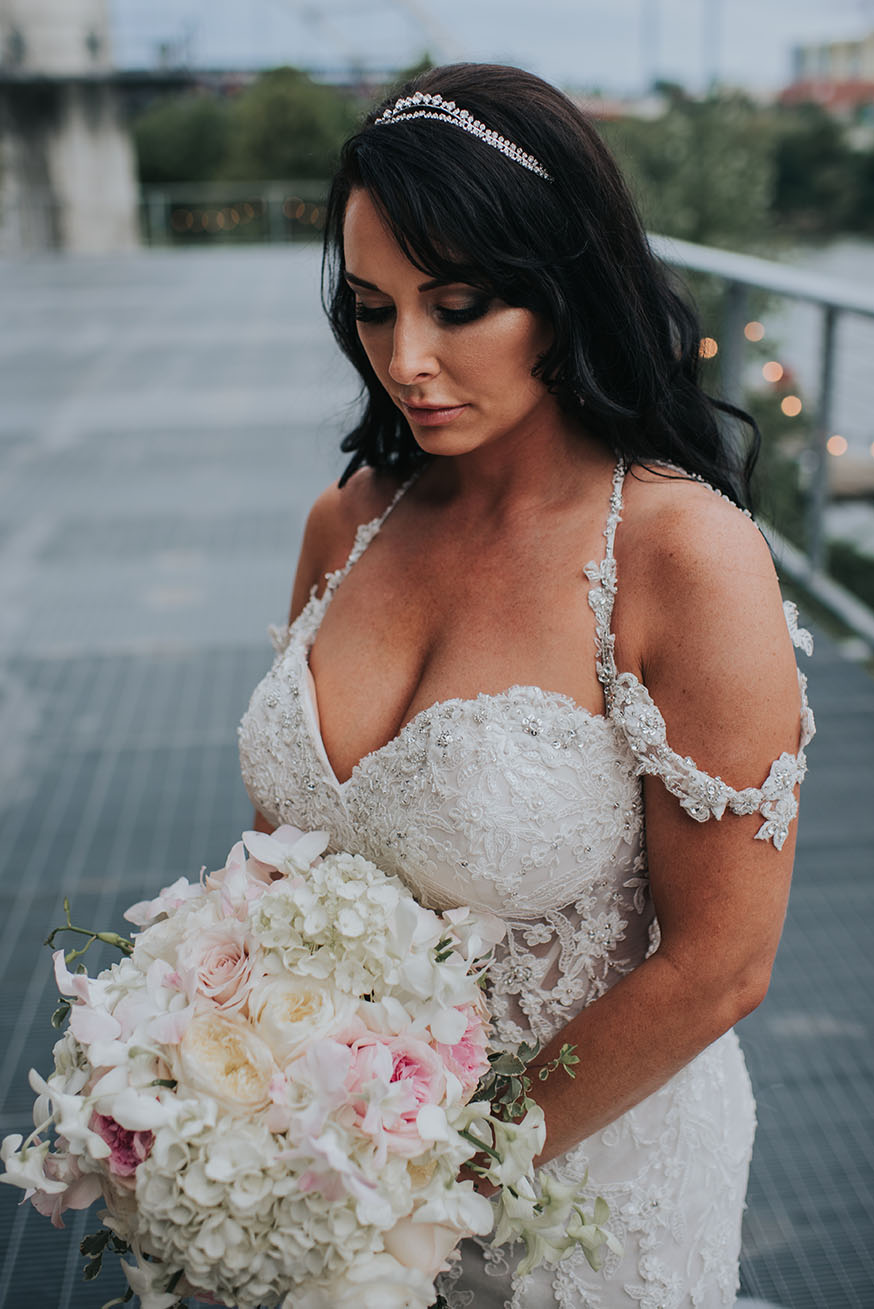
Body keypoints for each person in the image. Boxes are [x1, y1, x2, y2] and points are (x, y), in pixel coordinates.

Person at [238, 63, 814, 1308]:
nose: (408, 359)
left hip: (582, 1201)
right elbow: (274, 880)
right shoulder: (348, 521)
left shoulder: (678, 552)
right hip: (322, 1176)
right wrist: (230, 1106)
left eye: (458, 305)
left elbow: (721, 964)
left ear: (560, 290)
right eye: (374, 307)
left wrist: (430, 1180)